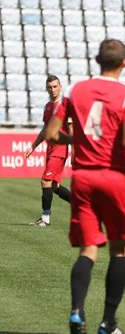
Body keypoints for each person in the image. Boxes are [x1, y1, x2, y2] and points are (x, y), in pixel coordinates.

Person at [46, 39, 125, 334]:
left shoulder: (74, 90)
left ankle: (77, 311)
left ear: (96, 60)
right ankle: (108, 322)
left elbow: (53, 134)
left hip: (82, 178)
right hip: (114, 178)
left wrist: (80, 140)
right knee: (118, 251)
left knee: (88, 249)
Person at [26, 75, 72, 226]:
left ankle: (45, 219)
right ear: (47, 88)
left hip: (60, 148)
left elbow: (72, 130)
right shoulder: (47, 106)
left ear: (60, 86)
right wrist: (33, 146)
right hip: (50, 148)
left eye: (55, 86)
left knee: (45, 181)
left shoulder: (65, 105)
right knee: (53, 186)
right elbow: (45, 130)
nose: (52, 89)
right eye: (50, 87)